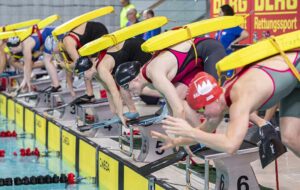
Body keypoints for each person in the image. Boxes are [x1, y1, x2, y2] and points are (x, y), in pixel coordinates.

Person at [152, 52, 300, 158]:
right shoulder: (221, 99)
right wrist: (176, 140)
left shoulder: (240, 97)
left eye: (202, 109)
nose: (202, 115)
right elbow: (206, 129)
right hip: (294, 80)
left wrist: (190, 132)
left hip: (296, 65)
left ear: (213, 99)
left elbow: (231, 146)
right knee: (290, 137)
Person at [114, 37, 227, 124]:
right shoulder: (147, 76)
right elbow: (172, 105)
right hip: (193, 64)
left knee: (212, 104)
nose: (128, 91)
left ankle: (238, 116)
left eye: (126, 87)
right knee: (177, 101)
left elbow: (179, 110)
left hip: (209, 50)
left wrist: (177, 140)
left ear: (135, 79)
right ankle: (200, 137)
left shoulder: (155, 74)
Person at [74, 37, 152, 125]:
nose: (83, 78)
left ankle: (165, 95)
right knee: (124, 85)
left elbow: (115, 93)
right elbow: (108, 90)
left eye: (82, 74)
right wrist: (114, 112)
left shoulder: (102, 69)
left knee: (141, 82)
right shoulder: (95, 70)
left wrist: (120, 114)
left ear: (87, 69)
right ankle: (133, 112)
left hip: (137, 48)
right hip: (128, 52)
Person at [44, 21, 108, 100]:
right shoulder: (62, 48)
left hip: (97, 31)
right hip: (89, 38)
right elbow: (69, 72)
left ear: (56, 45)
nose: (56, 54)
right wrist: (71, 92)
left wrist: (65, 65)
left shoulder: (67, 43)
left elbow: (80, 64)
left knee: (93, 69)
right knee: (88, 69)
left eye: (55, 51)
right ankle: (90, 94)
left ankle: (101, 92)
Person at [6, 27, 55, 91]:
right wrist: (25, 80)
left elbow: (28, 65)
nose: (13, 52)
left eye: (12, 50)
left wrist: (27, 82)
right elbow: (27, 66)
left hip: (51, 35)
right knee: (33, 61)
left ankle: (56, 65)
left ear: (17, 45)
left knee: (47, 60)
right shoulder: (23, 44)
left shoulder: (26, 47)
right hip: (43, 42)